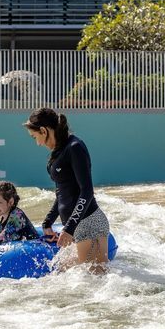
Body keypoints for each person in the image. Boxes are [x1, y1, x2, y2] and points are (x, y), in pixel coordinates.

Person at [23, 108, 109, 274]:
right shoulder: (58, 151)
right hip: (76, 226)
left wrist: (68, 228)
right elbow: (63, 193)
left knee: (91, 285)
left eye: (36, 137)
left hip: (89, 223)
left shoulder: (74, 147)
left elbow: (87, 191)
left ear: (43, 130)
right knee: (62, 276)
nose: (38, 143)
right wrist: (48, 222)